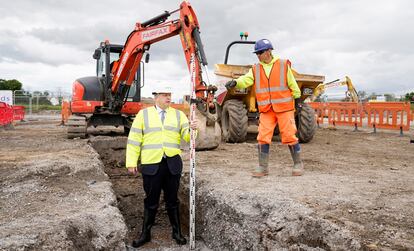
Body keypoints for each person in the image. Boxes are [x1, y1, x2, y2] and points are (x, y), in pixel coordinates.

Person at [126, 86, 197, 247]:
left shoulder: (178, 115)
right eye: (165, 95)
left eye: (170, 94)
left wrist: (193, 129)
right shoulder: (143, 115)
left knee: (172, 200)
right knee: (151, 201)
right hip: (151, 164)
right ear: (156, 97)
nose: (168, 98)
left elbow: (188, 137)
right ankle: (145, 234)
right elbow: (134, 140)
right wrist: (131, 162)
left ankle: (176, 232)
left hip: (172, 164)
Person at [225, 38, 304, 177]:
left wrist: (297, 101)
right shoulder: (255, 69)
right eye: (256, 53)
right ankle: (263, 167)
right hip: (267, 109)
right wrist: (236, 83)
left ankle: (298, 164)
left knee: (289, 135)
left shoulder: (283, 65)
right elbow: (246, 80)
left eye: (260, 52)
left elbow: (293, 84)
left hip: (284, 108)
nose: (258, 55)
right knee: (263, 137)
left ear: (268, 52)